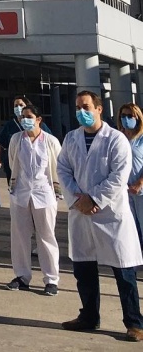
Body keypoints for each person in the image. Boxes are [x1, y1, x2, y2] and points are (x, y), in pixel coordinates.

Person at [58, 91, 143, 341]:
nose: (81, 111)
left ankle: (134, 323)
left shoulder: (115, 139)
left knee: (123, 271)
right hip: (81, 213)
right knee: (83, 268)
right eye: (77, 107)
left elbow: (119, 175)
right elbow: (62, 169)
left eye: (85, 107)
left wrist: (92, 198)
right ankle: (89, 317)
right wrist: (77, 198)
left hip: (110, 215)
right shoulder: (71, 138)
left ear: (98, 109)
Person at [7, 103, 62, 295]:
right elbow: (13, 162)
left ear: (39, 119)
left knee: (46, 236)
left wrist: (58, 190)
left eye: (29, 116)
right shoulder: (17, 139)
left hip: (44, 192)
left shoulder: (51, 141)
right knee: (20, 236)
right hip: (21, 192)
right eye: (22, 117)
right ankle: (22, 276)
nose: (25, 120)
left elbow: (59, 166)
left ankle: (51, 279)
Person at [0, 95, 52, 181]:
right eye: (16, 106)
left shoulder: (41, 126)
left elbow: (51, 145)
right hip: (15, 166)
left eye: (21, 105)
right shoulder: (10, 126)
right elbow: (0, 143)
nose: (18, 108)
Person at [119, 103, 143, 251]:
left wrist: (140, 182)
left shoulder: (141, 138)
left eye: (129, 116)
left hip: (140, 190)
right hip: (124, 191)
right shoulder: (117, 137)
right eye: (123, 116)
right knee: (129, 230)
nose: (126, 119)